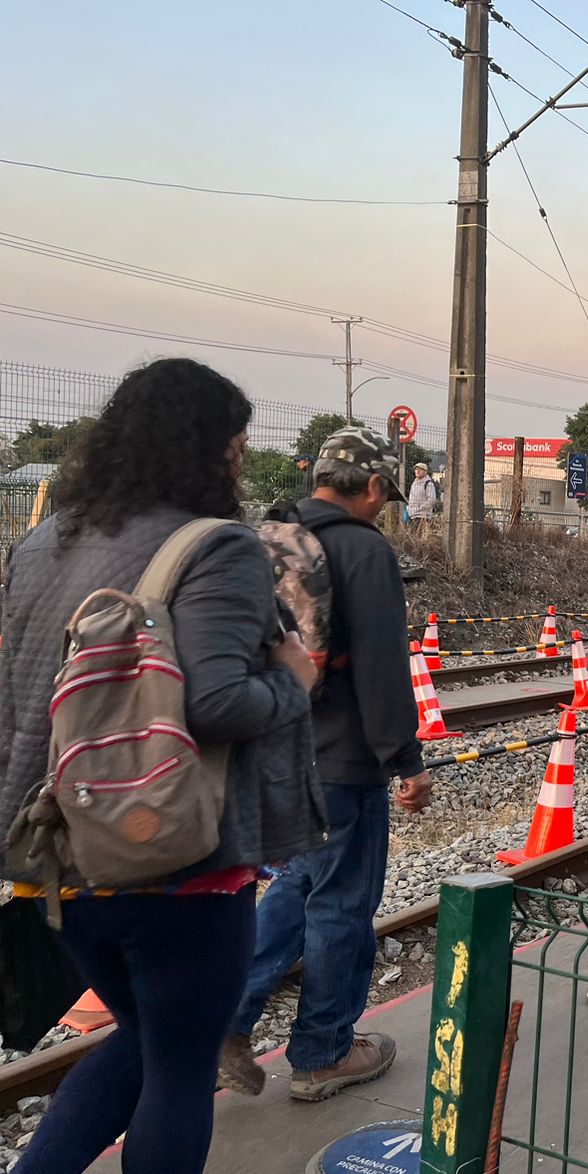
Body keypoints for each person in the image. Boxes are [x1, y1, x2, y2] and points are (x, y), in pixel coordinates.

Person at [0, 359, 323, 1174]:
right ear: (205, 449)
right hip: (174, 857)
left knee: (142, 1040)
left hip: (60, 854)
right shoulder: (214, 549)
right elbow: (215, 703)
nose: (239, 465)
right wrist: (296, 678)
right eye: (235, 446)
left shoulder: (43, 540)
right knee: (180, 1067)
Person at [219, 427, 433, 1102]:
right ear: (371, 487)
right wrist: (405, 760)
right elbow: (380, 666)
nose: (385, 508)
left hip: (278, 749)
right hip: (343, 760)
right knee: (342, 903)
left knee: (293, 890)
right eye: (385, 496)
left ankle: (223, 1020)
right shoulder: (363, 548)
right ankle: (323, 1053)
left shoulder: (268, 536)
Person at [406, 462, 439, 526]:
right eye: (416, 469)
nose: (417, 471)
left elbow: (432, 500)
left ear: (425, 471)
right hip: (412, 516)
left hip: (422, 517)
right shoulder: (414, 483)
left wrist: (420, 508)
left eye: (420, 469)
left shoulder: (428, 483)